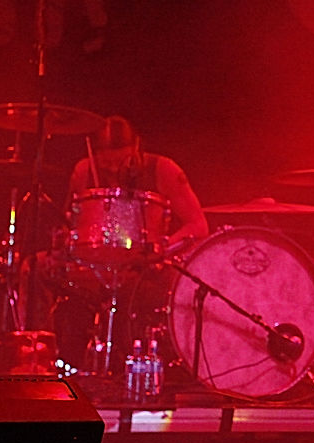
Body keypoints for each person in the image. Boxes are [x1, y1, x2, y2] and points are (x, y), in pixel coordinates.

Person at [49, 115, 209, 368]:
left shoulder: (163, 169)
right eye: (106, 161)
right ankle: (43, 358)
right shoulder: (83, 170)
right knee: (34, 269)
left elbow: (198, 225)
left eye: (121, 160)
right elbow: (71, 221)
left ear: (136, 148)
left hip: (146, 267)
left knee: (136, 292)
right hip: (94, 266)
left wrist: (162, 246)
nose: (113, 169)